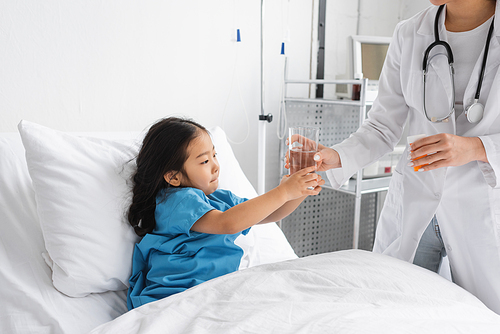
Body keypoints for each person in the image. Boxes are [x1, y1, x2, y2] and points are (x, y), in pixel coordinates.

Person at [288, 0, 500, 313]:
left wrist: (475, 148)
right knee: (396, 310)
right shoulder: (410, 33)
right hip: (417, 199)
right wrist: (335, 156)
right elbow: (382, 126)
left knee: (485, 317)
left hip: (483, 205)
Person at [127, 117, 323, 310]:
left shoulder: (219, 199)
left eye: (215, 155)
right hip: (175, 295)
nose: (216, 165)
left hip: (211, 292)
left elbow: (270, 214)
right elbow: (227, 224)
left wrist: (301, 188)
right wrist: (283, 192)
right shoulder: (176, 200)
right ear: (173, 176)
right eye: (204, 161)